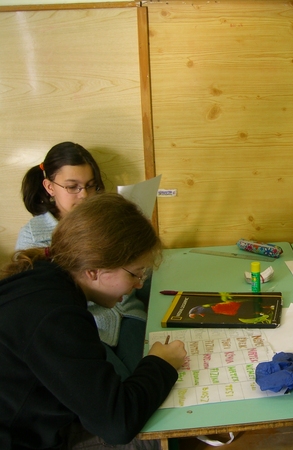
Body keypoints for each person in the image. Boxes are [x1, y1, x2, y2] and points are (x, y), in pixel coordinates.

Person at [0, 193, 187, 449]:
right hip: (23, 439)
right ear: (93, 271)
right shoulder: (57, 317)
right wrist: (160, 364)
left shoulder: (45, 276)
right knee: (153, 439)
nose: (138, 284)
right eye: (134, 273)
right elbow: (117, 424)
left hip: (36, 418)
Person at [16, 142, 149, 380]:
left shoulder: (105, 217)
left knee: (145, 373)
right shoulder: (33, 235)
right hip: (88, 326)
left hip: (128, 313)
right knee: (121, 385)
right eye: (72, 187)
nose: (84, 195)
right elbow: (43, 303)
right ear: (49, 186)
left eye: (90, 186)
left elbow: (137, 271)